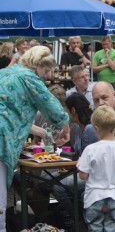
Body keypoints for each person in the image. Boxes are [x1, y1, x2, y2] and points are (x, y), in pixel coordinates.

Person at [0, 46, 70, 230]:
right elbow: (54, 108)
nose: (47, 76)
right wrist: (66, 126)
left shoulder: (6, 72)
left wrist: (44, 133)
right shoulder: (29, 77)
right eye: (46, 71)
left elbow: (13, 116)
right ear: (37, 65)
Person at [77, 105, 115, 232]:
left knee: (94, 228)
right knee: (113, 228)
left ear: (96, 128)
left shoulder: (90, 150)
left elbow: (83, 176)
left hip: (94, 197)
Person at [52, 93, 98, 223]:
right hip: (80, 170)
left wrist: (72, 168)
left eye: (67, 111)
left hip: (92, 175)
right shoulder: (77, 128)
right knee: (48, 180)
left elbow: (90, 162)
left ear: (73, 110)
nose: (66, 114)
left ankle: (77, 221)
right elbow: (79, 156)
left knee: (58, 187)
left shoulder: (89, 129)